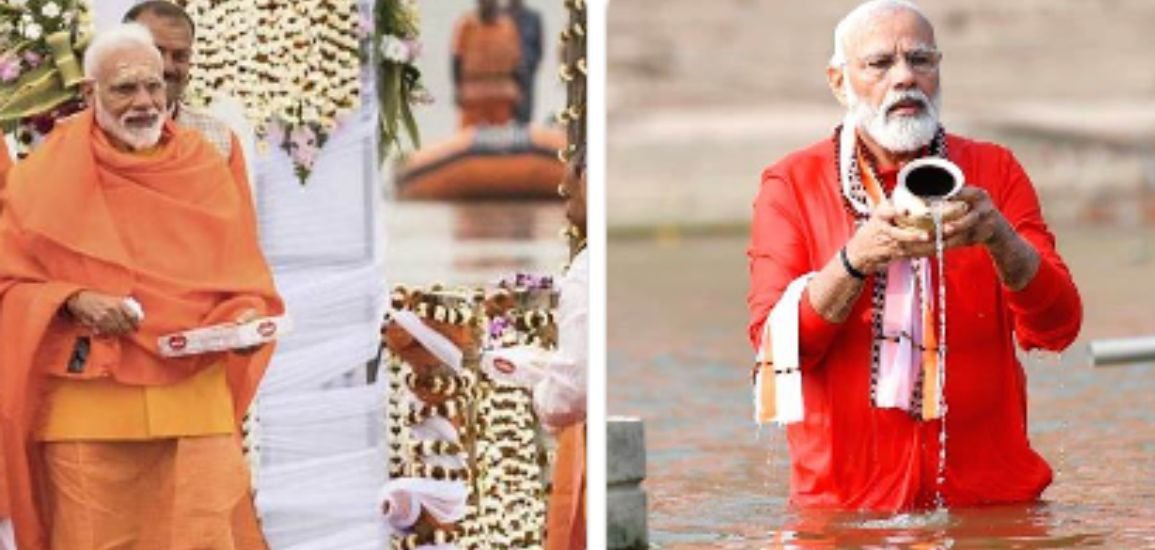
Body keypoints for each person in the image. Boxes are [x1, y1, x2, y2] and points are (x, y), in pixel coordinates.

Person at [746, 0, 1082, 511]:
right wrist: (856, 260)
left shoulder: (993, 170)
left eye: (920, 60)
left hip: (991, 506)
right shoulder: (791, 184)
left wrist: (1001, 239)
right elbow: (778, 346)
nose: (905, 77)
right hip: (847, 513)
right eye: (880, 64)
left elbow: (1059, 328)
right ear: (839, 82)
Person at [0, 24, 282, 549]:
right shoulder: (43, 171)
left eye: (153, 86)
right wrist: (74, 300)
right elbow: (10, 282)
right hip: (89, 406)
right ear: (90, 92)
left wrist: (243, 319)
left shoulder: (203, 162)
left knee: (205, 537)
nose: (145, 102)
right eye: (125, 88)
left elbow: (241, 274)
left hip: (192, 398)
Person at [482, 148, 587, 549]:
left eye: (568, 194)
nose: (566, 208)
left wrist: (537, 383)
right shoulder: (584, 270)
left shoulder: (585, 271)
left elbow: (568, 395)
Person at [123, 1, 242, 162]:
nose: (168, 67)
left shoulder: (219, 138)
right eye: (156, 52)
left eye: (180, 56)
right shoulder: (92, 130)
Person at [451, 0, 522, 128]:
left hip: (501, 95)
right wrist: (457, 89)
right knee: (467, 134)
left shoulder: (508, 27)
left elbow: (516, 64)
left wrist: (519, 90)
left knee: (501, 136)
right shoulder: (466, 26)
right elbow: (457, 60)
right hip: (473, 96)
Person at [506, 0, 543, 125]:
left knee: (524, 117)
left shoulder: (533, 18)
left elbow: (538, 48)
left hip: (526, 74)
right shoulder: (500, 16)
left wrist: (530, 67)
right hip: (504, 77)